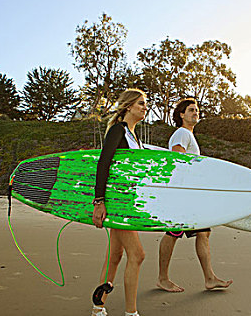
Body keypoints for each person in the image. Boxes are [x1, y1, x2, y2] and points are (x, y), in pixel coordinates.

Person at [156, 98, 233, 293]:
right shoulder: (181, 133)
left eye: (197, 110)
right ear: (181, 114)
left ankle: (209, 278)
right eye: (191, 110)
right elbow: (178, 162)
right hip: (183, 195)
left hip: (189, 194)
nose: (195, 113)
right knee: (173, 233)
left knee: (203, 232)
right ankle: (163, 278)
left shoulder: (189, 135)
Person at [91, 89, 148, 316]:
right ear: (128, 107)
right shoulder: (118, 131)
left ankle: (98, 306)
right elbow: (103, 164)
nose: (145, 107)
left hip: (129, 202)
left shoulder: (135, 137)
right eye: (141, 104)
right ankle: (131, 313)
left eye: (145, 104)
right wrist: (99, 202)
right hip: (117, 203)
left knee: (115, 255)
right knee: (138, 254)